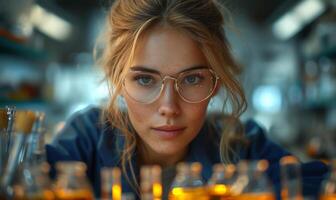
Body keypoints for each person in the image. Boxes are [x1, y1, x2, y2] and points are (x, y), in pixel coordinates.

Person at [46, 0, 329, 199]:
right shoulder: (86, 139)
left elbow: (319, 184)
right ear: (119, 83)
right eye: (145, 79)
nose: (169, 107)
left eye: (192, 79)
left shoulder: (240, 146)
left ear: (215, 83)